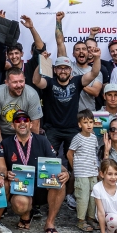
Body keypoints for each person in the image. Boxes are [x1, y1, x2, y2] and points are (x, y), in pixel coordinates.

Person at [29, 14, 101, 158]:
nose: (63, 71)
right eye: (60, 68)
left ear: (70, 70)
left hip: (72, 128)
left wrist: (97, 57)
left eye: (66, 68)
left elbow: (94, 73)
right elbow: (36, 81)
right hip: (52, 129)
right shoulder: (50, 82)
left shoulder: (77, 81)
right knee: (48, 160)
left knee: (74, 160)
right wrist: (40, 63)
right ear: (55, 70)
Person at [2, 111, 68, 233]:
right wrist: (6, 173)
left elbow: (56, 164)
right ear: (12, 125)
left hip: (42, 186)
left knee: (60, 182)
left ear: (31, 124)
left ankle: (50, 223)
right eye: (18, 121)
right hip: (21, 187)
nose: (22, 123)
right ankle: (26, 214)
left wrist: (66, 173)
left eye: (25, 120)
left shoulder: (42, 140)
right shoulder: (6, 143)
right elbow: (1, 168)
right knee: (19, 204)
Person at [67, 113, 102, 232]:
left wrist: (97, 168)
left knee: (93, 196)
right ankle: (81, 220)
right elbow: (69, 154)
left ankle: (91, 218)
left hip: (92, 172)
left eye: (91, 122)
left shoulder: (93, 138)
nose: (89, 125)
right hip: (81, 173)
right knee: (83, 196)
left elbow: (94, 154)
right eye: (85, 122)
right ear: (79, 124)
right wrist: (75, 168)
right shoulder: (77, 138)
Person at [0, 68, 43, 141]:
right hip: (4, 132)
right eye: (15, 82)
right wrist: (1, 144)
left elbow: (35, 123)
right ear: (6, 83)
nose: (19, 85)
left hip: (25, 133)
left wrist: (32, 143)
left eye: (21, 81)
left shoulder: (32, 94)